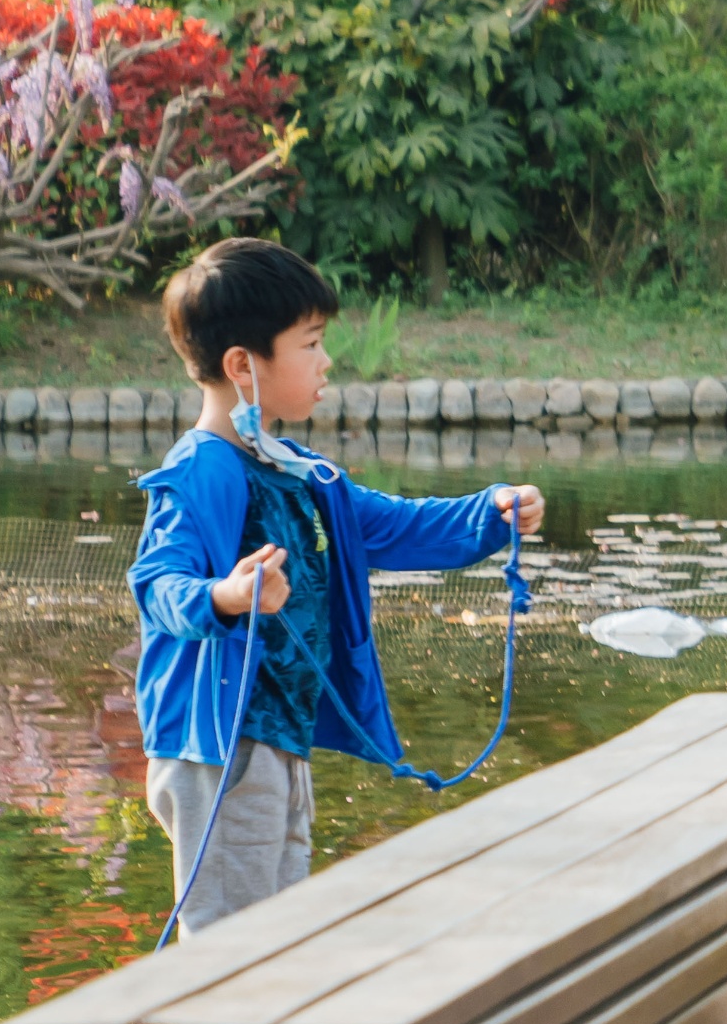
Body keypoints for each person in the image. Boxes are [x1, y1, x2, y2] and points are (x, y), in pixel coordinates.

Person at [129, 239, 540, 938]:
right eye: (310, 344)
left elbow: (398, 527)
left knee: (279, 935)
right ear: (243, 366)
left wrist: (491, 512)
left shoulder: (299, 471)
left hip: (277, 739)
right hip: (219, 747)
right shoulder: (202, 469)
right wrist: (224, 596)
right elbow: (157, 583)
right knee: (230, 948)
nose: (326, 362)